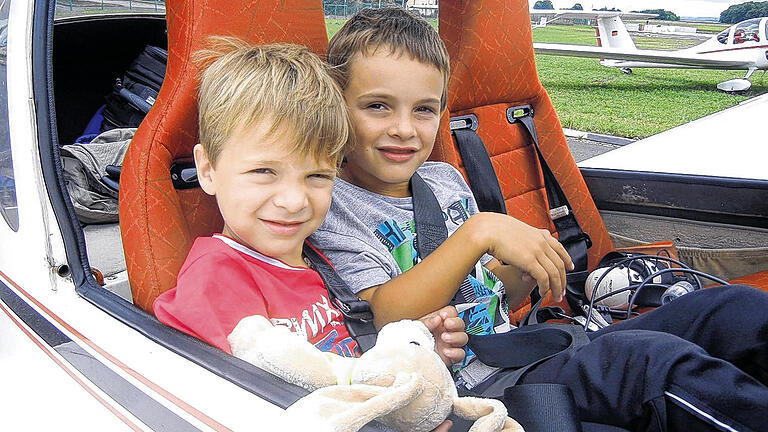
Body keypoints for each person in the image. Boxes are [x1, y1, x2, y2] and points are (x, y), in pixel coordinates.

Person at [310, 7, 768, 431]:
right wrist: (480, 231)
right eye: (377, 106)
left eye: (424, 109)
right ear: (334, 107)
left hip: (522, 347)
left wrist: (524, 269)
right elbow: (385, 317)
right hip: (473, 388)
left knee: (731, 309)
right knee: (650, 363)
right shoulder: (332, 206)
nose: (404, 129)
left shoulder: (444, 180)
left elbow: (492, 299)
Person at [151, 38, 467, 392]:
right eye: (264, 172)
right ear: (208, 170)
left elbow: (348, 364)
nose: (293, 201)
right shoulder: (217, 279)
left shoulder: (320, 258)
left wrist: (415, 352)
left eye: (317, 176)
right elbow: (238, 403)